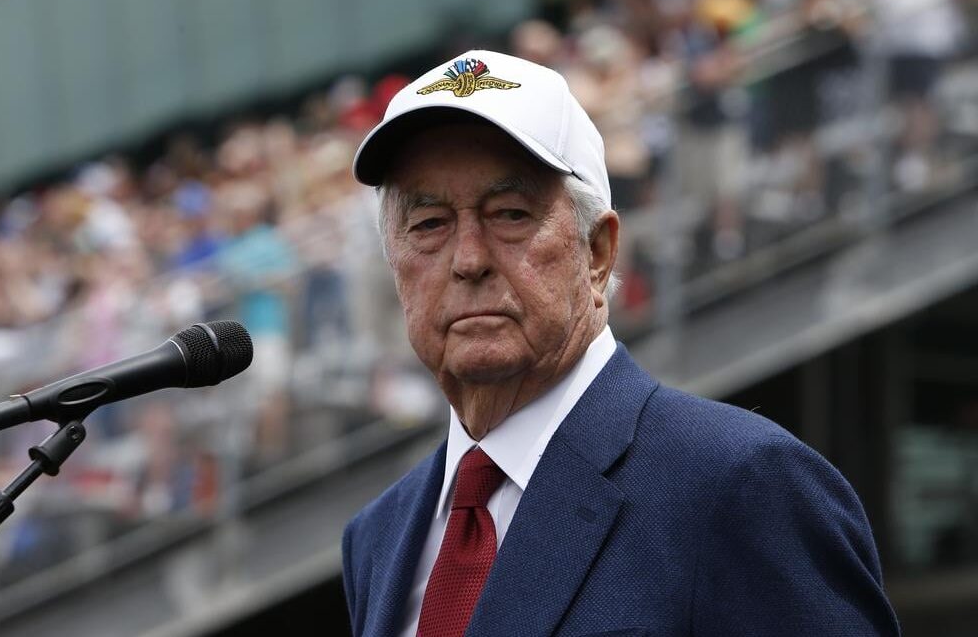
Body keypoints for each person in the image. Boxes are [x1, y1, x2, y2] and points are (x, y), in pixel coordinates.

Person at [341, 50, 899, 636]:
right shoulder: (379, 538)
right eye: (429, 224)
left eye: (509, 214)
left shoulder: (738, 484)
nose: (469, 259)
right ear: (394, 267)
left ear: (599, 253)